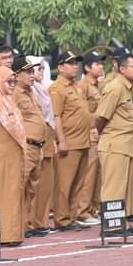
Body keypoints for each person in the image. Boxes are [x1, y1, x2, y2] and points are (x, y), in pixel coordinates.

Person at [95, 52, 133, 236]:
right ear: (122, 69)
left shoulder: (128, 87)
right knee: (113, 187)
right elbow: (101, 116)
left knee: (123, 187)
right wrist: (104, 135)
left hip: (125, 144)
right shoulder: (115, 88)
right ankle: (111, 226)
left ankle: (119, 222)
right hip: (114, 144)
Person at [49, 51, 92, 231]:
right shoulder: (56, 88)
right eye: (71, 63)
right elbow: (56, 116)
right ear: (60, 67)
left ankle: (72, 216)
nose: (75, 66)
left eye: (76, 63)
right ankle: (62, 219)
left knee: (78, 183)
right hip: (69, 142)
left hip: (83, 141)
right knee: (64, 184)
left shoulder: (77, 86)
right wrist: (61, 140)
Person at [0, 65, 26, 245]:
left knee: (12, 194)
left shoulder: (10, 100)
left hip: (14, 155)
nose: (12, 85)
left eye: (14, 81)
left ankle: (12, 234)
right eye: (8, 81)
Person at [12, 56, 50, 238]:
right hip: (25, 146)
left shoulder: (31, 93)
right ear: (17, 75)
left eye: (32, 71)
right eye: (27, 72)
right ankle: (16, 224)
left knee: (31, 190)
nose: (32, 75)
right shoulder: (14, 94)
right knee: (20, 186)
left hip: (37, 146)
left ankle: (27, 224)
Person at [27, 56, 57, 235]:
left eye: (41, 69)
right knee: (34, 186)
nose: (38, 73)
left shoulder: (41, 89)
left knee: (46, 184)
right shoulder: (28, 91)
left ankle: (41, 221)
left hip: (46, 139)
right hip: (35, 141)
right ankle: (33, 221)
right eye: (35, 69)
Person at [80, 50, 107, 225]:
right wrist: (92, 128)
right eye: (97, 64)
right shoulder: (83, 86)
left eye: (101, 63)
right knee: (89, 175)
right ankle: (82, 211)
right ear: (88, 67)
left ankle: (93, 208)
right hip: (91, 133)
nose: (101, 67)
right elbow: (84, 112)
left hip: (101, 134)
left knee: (98, 175)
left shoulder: (99, 85)